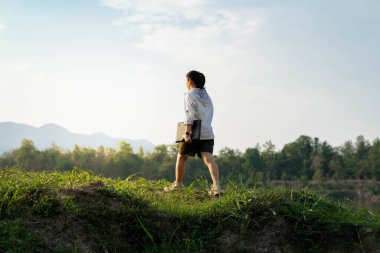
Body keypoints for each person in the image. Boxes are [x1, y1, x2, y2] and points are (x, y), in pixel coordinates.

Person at [164, 70, 222, 196]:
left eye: (186, 80)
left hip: (194, 129)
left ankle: (178, 185)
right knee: (208, 159)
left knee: (182, 157)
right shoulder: (207, 96)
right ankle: (216, 187)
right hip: (207, 131)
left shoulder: (189, 94)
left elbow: (189, 114)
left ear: (190, 81)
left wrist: (187, 133)